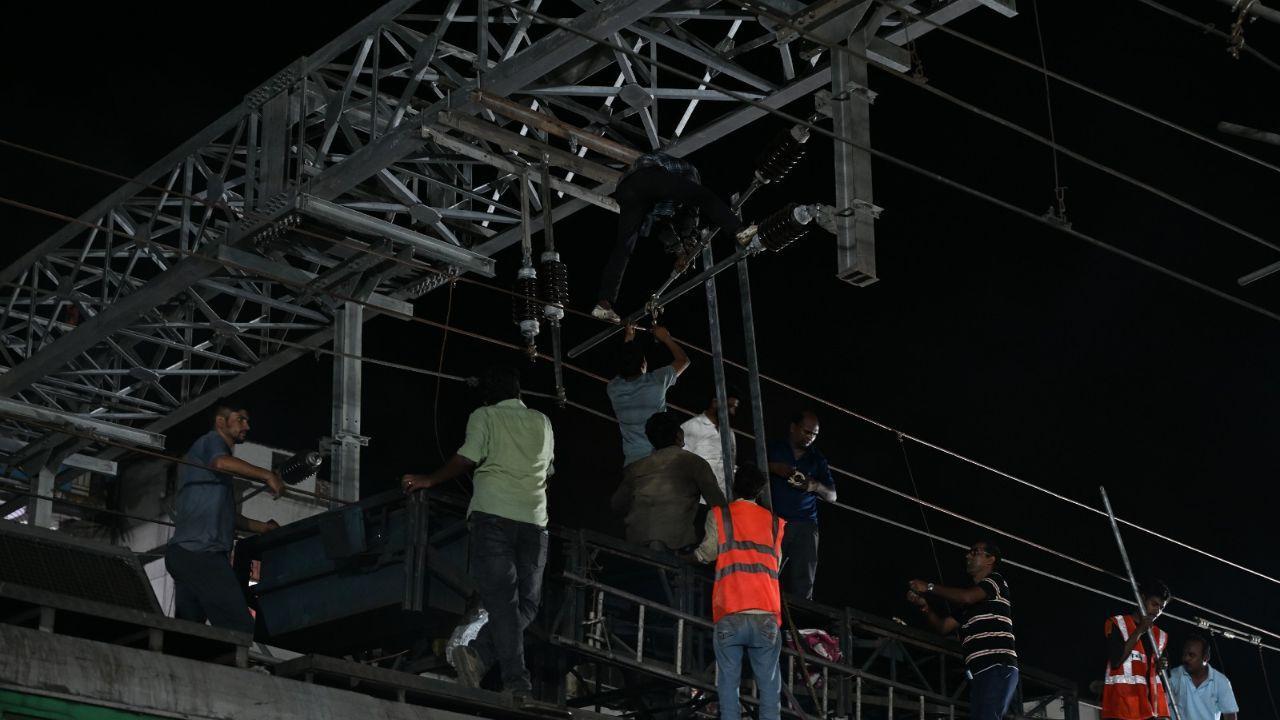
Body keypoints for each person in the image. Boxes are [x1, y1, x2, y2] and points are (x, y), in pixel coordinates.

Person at [402, 366, 554, 699]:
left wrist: (430, 478)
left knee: (503, 602)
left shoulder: (483, 415)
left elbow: (467, 457)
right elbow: (549, 468)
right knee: (527, 603)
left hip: (493, 517)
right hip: (535, 520)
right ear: (518, 393)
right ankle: (487, 661)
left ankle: (504, 674)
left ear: (488, 396)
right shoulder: (542, 421)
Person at [593, 151, 757, 322]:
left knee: (624, 247)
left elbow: (664, 226)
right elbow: (692, 206)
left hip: (625, 189)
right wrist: (689, 240)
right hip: (648, 174)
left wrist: (681, 253)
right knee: (703, 196)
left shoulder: (663, 201)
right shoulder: (689, 172)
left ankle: (604, 304)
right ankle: (740, 231)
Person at [165, 401, 284, 635]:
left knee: (188, 632)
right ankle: (251, 668)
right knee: (239, 629)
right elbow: (221, 462)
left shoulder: (216, 479)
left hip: (184, 554)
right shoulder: (211, 443)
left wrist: (263, 528)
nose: (247, 426)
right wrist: (267, 475)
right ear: (221, 422)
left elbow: (232, 518)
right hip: (202, 554)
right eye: (241, 419)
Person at [692, 466, 785, 720]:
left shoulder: (721, 516)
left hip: (730, 610)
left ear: (734, 488)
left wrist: (694, 556)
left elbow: (707, 553)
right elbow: (775, 563)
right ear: (759, 491)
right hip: (766, 612)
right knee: (769, 687)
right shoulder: (775, 523)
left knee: (728, 684)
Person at [906, 540, 1019, 720]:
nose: (968, 555)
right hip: (978, 673)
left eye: (975, 552)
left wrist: (929, 587)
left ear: (990, 559)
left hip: (996, 666)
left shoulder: (995, 581)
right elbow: (943, 627)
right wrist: (925, 607)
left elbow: (966, 597)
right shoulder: (968, 607)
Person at [611, 412, 728, 552]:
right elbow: (720, 507)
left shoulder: (635, 469)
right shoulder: (694, 463)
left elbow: (616, 506)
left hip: (636, 547)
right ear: (679, 434)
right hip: (674, 549)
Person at [766, 411, 835, 600]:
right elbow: (750, 469)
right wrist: (774, 468)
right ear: (793, 428)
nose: (809, 438)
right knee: (766, 574)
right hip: (773, 519)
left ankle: (800, 627)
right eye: (806, 432)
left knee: (803, 584)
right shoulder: (774, 447)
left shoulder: (817, 459)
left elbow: (832, 496)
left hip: (805, 525)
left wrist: (815, 485)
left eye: (814, 435)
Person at [606, 323, 690, 468]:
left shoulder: (613, 388)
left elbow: (626, 366)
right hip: (660, 461)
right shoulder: (657, 381)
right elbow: (683, 361)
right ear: (643, 364)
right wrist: (666, 338)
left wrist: (629, 341)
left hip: (633, 465)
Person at [1101, 579, 1173, 720]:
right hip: (1121, 709)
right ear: (1142, 599)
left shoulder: (1160, 636)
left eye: (1162, 608)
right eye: (1154, 604)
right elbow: (1116, 660)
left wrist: (1160, 666)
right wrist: (1140, 630)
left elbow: (1163, 676)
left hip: (1150, 711)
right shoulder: (1117, 623)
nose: (1157, 611)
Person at [681, 386, 740, 499]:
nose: (732, 412)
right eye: (729, 407)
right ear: (715, 403)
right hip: (696, 500)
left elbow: (731, 467)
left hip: (722, 501)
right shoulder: (692, 427)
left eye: (735, 408)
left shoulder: (730, 434)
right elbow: (679, 465)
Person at [1169, 634, 1239, 720]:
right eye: (1184, 654)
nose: (1185, 658)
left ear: (1205, 658)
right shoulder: (1174, 675)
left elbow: (1230, 715)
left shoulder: (1221, 681)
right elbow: (1162, 710)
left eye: (1191, 655)